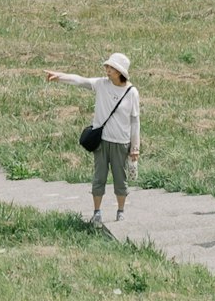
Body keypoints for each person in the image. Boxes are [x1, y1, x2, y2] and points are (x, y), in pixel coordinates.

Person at [43, 54, 141, 222]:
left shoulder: (132, 92)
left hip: (121, 143)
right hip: (101, 141)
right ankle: (97, 212)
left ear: (119, 72)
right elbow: (80, 81)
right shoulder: (101, 84)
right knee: (99, 178)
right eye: (107, 67)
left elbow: (135, 121)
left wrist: (135, 147)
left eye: (111, 68)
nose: (107, 70)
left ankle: (120, 211)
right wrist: (59, 76)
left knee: (120, 179)